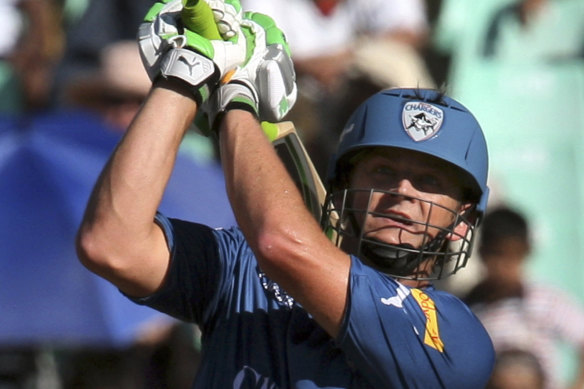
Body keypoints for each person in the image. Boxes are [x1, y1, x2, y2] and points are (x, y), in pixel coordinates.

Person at [76, 1, 494, 387]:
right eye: (383, 171)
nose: (402, 191)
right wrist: (185, 75)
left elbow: (280, 243)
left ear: (461, 223)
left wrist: (234, 96)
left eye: (430, 182)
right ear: (344, 187)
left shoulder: (456, 339)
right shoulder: (244, 264)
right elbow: (111, 243)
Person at [464, 206, 584, 389]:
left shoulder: (547, 301)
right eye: (497, 255)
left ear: (526, 252)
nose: (503, 267)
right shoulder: (470, 309)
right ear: (482, 253)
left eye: (513, 257)